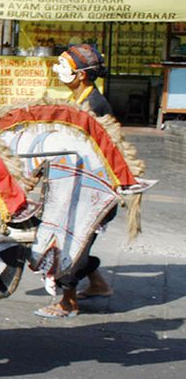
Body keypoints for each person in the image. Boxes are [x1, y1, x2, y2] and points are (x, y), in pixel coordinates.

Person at [35, 44, 116, 319]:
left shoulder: (93, 106)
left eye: (63, 66)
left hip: (94, 192)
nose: (57, 70)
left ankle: (68, 302)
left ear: (80, 75)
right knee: (81, 241)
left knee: (71, 245)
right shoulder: (81, 98)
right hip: (83, 187)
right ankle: (99, 284)